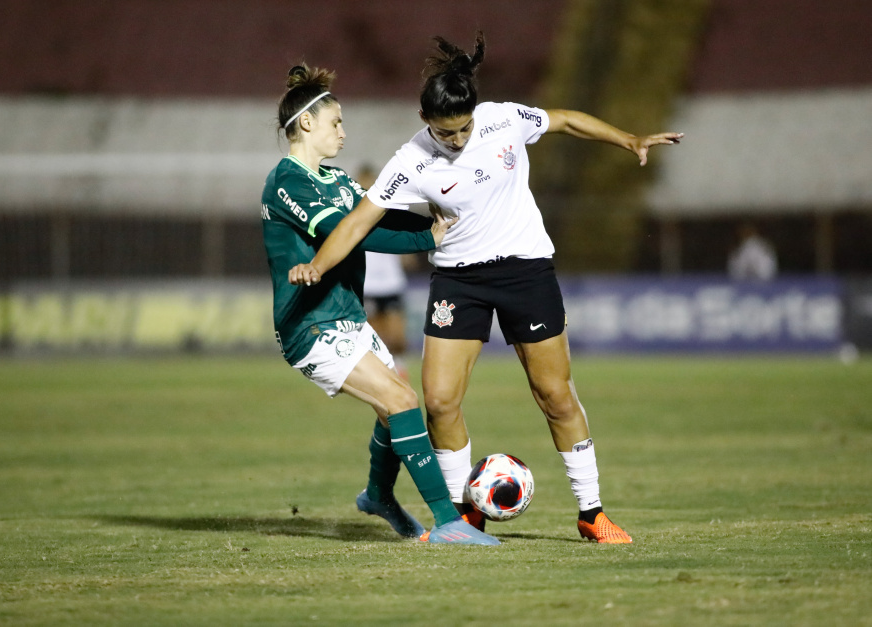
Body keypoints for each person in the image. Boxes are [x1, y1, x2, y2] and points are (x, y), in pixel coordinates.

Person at [288, 34, 684, 544]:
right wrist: (318, 265)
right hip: (459, 280)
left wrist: (628, 139)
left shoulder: (503, 119)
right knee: (439, 401)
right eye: (443, 132)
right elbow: (358, 221)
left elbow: (562, 119)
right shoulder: (411, 159)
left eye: (462, 129)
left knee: (555, 395)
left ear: (476, 112)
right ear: (427, 121)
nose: (454, 140)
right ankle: (462, 518)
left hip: (526, 271)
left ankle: (592, 513)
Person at [263, 64, 499, 545]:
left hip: (348, 318)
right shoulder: (287, 182)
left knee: (393, 411)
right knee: (402, 401)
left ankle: (378, 496)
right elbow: (347, 234)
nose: (344, 133)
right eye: (337, 123)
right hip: (310, 326)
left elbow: (377, 215)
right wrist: (424, 240)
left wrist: (429, 229)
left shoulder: (335, 178)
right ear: (307, 124)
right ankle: (447, 522)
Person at [357, 164, 417, 381]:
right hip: (367, 285)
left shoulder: (392, 212)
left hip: (392, 283)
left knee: (398, 338)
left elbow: (408, 255)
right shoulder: (353, 213)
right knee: (374, 336)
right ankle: (379, 377)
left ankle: (399, 369)